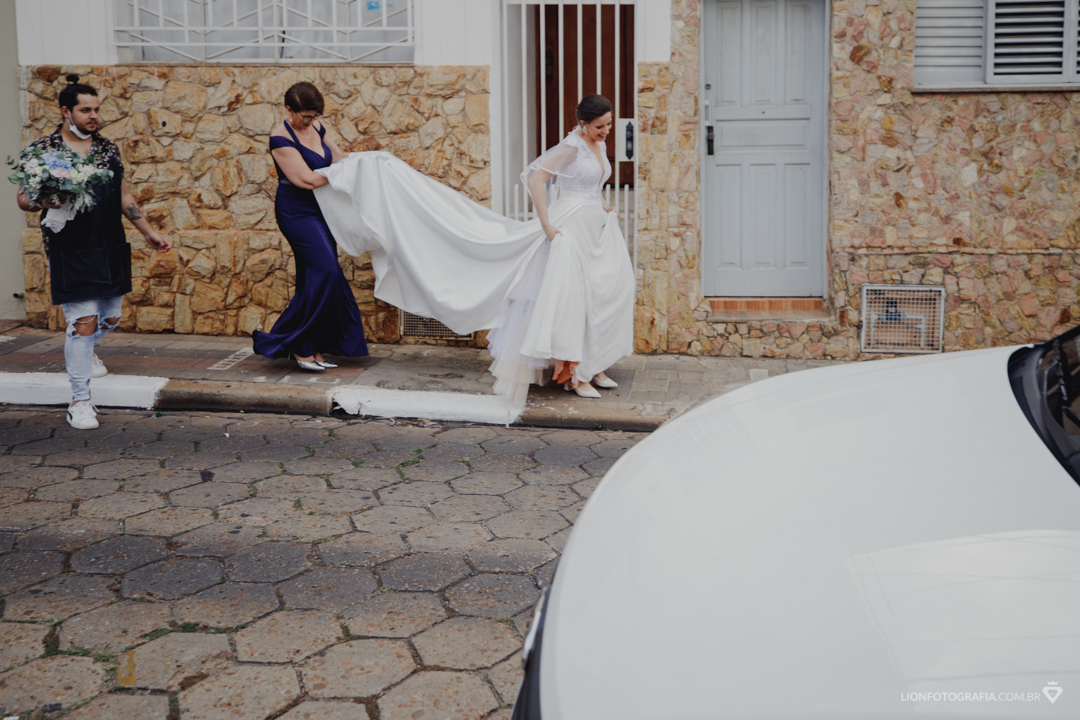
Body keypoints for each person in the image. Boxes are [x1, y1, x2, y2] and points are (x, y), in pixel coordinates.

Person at [313, 94, 635, 403]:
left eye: (608, 125)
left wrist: (604, 204)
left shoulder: (598, 144)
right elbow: (536, 179)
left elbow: (591, 185)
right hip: (570, 226)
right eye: (599, 126)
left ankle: (596, 365)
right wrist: (547, 224)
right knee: (572, 298)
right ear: (582, 123)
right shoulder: (571, 147)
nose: (606, 131)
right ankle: (577, 373)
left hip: (597, 226)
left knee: (600, 293)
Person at [16, 75, 172, 430]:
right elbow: (24, 198)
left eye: (96, 109)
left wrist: (148, 232)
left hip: (110, 242)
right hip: (70, 247)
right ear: (66, 111)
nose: (93, 116)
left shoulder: (107, 148)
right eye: (85, 110)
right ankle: (80, 400)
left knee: (111, 317)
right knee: (84, 321)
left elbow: (122, 194)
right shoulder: (44, 150)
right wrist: (46, 198)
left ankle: (82, 347)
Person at [251, 81, 368, 370]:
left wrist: (371, 162)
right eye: (305, 116)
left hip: (323, 209)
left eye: (314, 116)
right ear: (289, 110)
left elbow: (339, 158)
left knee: (313, 278)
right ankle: (301, 345)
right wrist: (341, 173)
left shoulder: (317, 128)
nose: (310, 121)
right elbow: (307, 179)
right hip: (297, 212)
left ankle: (312, 347)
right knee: (326, 272)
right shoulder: (280, 138)